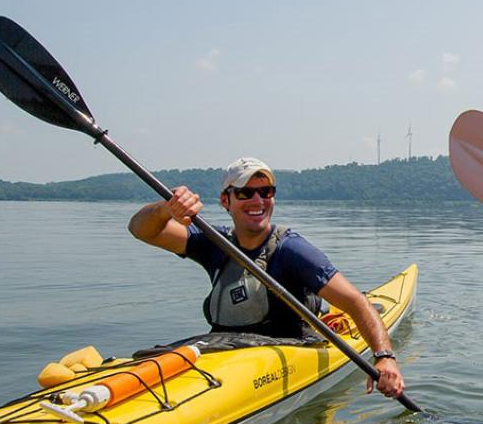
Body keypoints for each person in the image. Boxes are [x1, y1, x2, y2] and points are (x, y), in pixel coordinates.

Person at [128, 156, 404, 398]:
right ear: (225, 201)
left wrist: (385, 357)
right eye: (245, 193)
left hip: (288, 354)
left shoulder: (292, 250)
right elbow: (142, 230)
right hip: (223, 353)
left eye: (265, 191)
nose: (257, 200)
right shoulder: (214, 242)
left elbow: (355, 301)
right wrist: (166, 208)